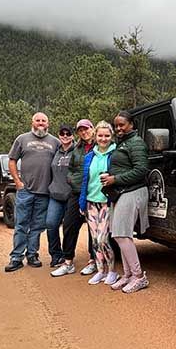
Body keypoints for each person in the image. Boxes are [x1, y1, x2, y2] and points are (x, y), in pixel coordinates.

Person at [101, 111, 150, 293]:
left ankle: (139, 276)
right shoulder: (124, 143)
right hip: (122, 192)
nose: (118, 128)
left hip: (133, 191)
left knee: (122, 234)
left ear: (131, 124)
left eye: (122, 124)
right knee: (119, 234)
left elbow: (141, 170)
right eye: (116, 125)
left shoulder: (136, 143)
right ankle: (128, 274)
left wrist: (115, 179)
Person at [5, 112, 60, 272]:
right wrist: (17, 182)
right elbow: (12, 160)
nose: (41, 123)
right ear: (32, 122)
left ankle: (32, 255)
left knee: (37, 226)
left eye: (44, 120)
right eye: (38, 120)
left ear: (48, 124)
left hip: (45, 192)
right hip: (25, 190)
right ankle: (16, 258)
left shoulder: (55, 142)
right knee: (21, 224)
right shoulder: (22, 139)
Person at [51, 119, 97, 277]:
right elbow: (71, 169)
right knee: (69, 225)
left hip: (94, 193)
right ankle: (68, 261)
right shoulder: (77, 148)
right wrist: (72, 180)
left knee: (93, 228)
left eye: (87, 129)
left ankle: (93, 261)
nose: (84, 132)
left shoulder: (100, 145)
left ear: (92, 128)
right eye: (81, 130)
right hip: (76, 192)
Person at [78, 121, 118, 285]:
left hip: (106, 202)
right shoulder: (90, 156)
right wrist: (82, 203)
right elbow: (85, 181)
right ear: (95, 136)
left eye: (107, 135)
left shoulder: (115, 155)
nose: (103, 139)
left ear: (111, 137)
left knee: (103, 239)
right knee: (95, 241)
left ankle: (112, 271)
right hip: (90, 202)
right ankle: (100, 271)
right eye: (100, 135)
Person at [45, 124, 75, 268]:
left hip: (70, 195)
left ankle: (68, 256)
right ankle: (56, 255)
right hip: (55, 195)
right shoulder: (54, 152)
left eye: (68, 133)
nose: (65, 136)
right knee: (51, 224)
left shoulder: (77, 151)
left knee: (69, 228)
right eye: (62, 133)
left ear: (73, 135)